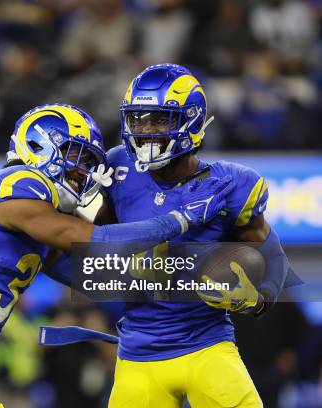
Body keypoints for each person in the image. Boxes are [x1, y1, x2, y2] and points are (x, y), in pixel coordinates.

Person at [0, 103, 235, 407]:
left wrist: (192, 282)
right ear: (40, 143)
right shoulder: (19, 182)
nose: (83, 171)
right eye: (77, 155)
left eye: (90, 162)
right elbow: (94, 240)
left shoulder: (41, 220)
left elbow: (99, 274)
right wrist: (179, 219)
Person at [102, 63, 292, 407]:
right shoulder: (117, 169)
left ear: (190, 120)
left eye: (158, 119)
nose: (144, 130)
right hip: (137, 354)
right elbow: (87, 247)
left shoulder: (231, 184)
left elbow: (271, 250)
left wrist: (261, 297)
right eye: (138, 119)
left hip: (206, 345)